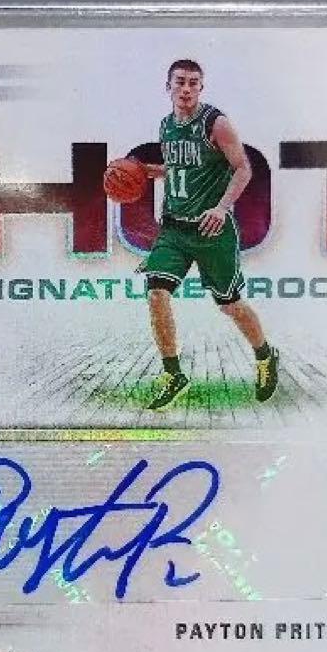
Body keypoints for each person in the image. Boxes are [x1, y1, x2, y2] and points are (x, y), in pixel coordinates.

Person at [118, 58, 279, 410]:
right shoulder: (166, 125)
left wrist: (221, 208)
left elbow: (243, 168)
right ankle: (173, 374)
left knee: (230, 305)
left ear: (201, 88)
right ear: (168, 87)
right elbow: (181, 167)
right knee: (156, 293)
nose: (186, 88)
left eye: (193, 82)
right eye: (180, 82)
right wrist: (147, 171)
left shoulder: (215, 123)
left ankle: (265, 355)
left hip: (211, 230)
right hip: (174, 228)